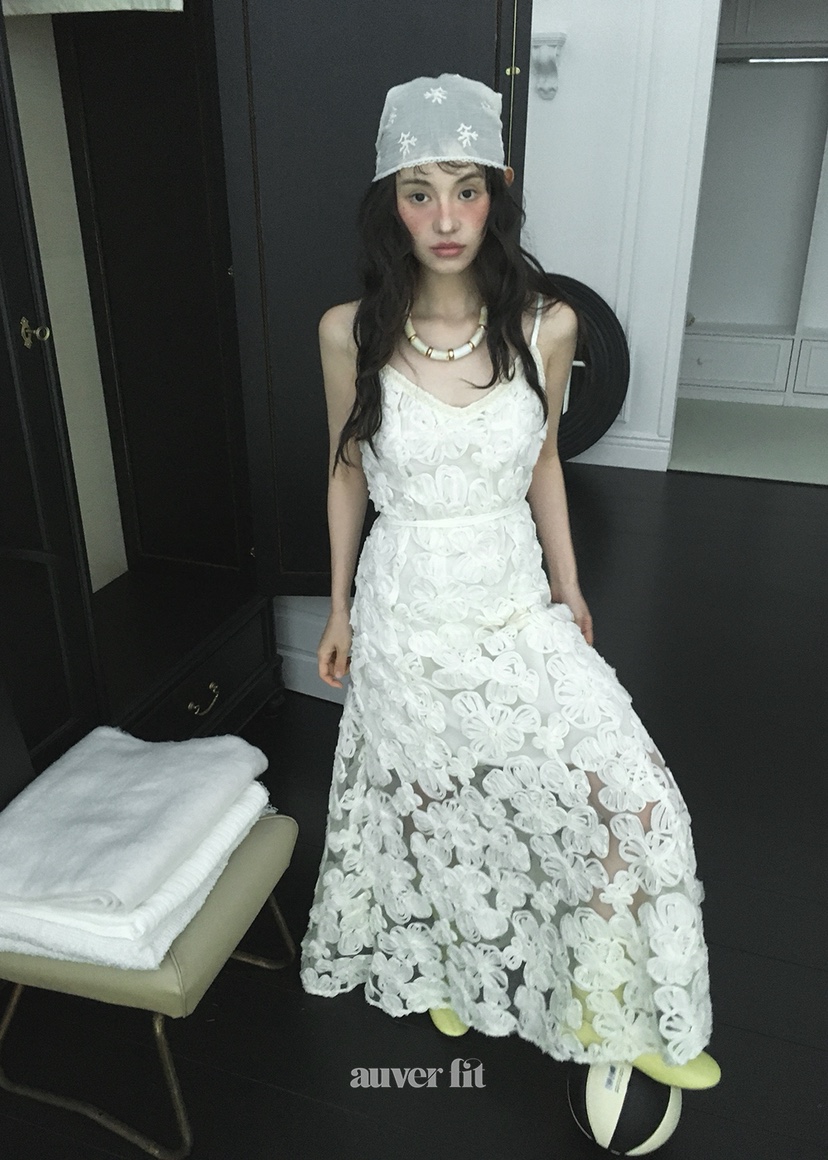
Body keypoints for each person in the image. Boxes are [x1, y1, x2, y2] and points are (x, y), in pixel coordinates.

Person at [300, 74, 719, 1091]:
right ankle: (454, 967)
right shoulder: (347, 331)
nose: (446, 219)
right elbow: (345, 472)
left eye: (467, 189)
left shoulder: (548, 325)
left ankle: (608, 997)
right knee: (436, 804)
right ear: (391, 205)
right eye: (419, 193)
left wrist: (569, 590)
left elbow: (544, 462)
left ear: (499, 191)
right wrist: (340, 606)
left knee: (631, 795)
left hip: (511, 600)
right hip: (407, 608)